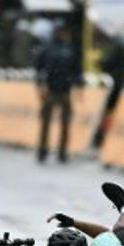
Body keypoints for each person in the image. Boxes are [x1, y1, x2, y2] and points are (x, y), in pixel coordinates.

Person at [34, 23, 81, 163]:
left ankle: (62, 152)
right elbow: (38, 69)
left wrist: (78, 85)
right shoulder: (47, 48)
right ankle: (42, 150)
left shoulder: (70, 48)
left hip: (65, 90)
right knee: (45, 122)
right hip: (50, 90)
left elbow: (77, 70)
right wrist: (40, 86)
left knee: (65, 123)